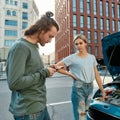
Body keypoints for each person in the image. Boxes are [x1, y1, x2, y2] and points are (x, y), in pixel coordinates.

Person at [6, 11, 59, 120]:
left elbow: (32, 71)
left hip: (40, 108)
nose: (50, 41)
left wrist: (47, 70)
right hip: (29, 113)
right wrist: (44, 73)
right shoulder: (21, 47)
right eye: (50, 36)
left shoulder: (34, 47)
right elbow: (14, 83)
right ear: (41, 31)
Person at [56, 34, 107, 120]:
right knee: (81, 116)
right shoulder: (72, 58)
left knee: (86, 113)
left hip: (90, 87)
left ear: (85, 43)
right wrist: (71, 74)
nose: (78, 46)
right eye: (76, 44)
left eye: (80, 43)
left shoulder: (92, 57)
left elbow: (97, 75)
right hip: (79, 88)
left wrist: (102, 91)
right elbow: (56, 67)